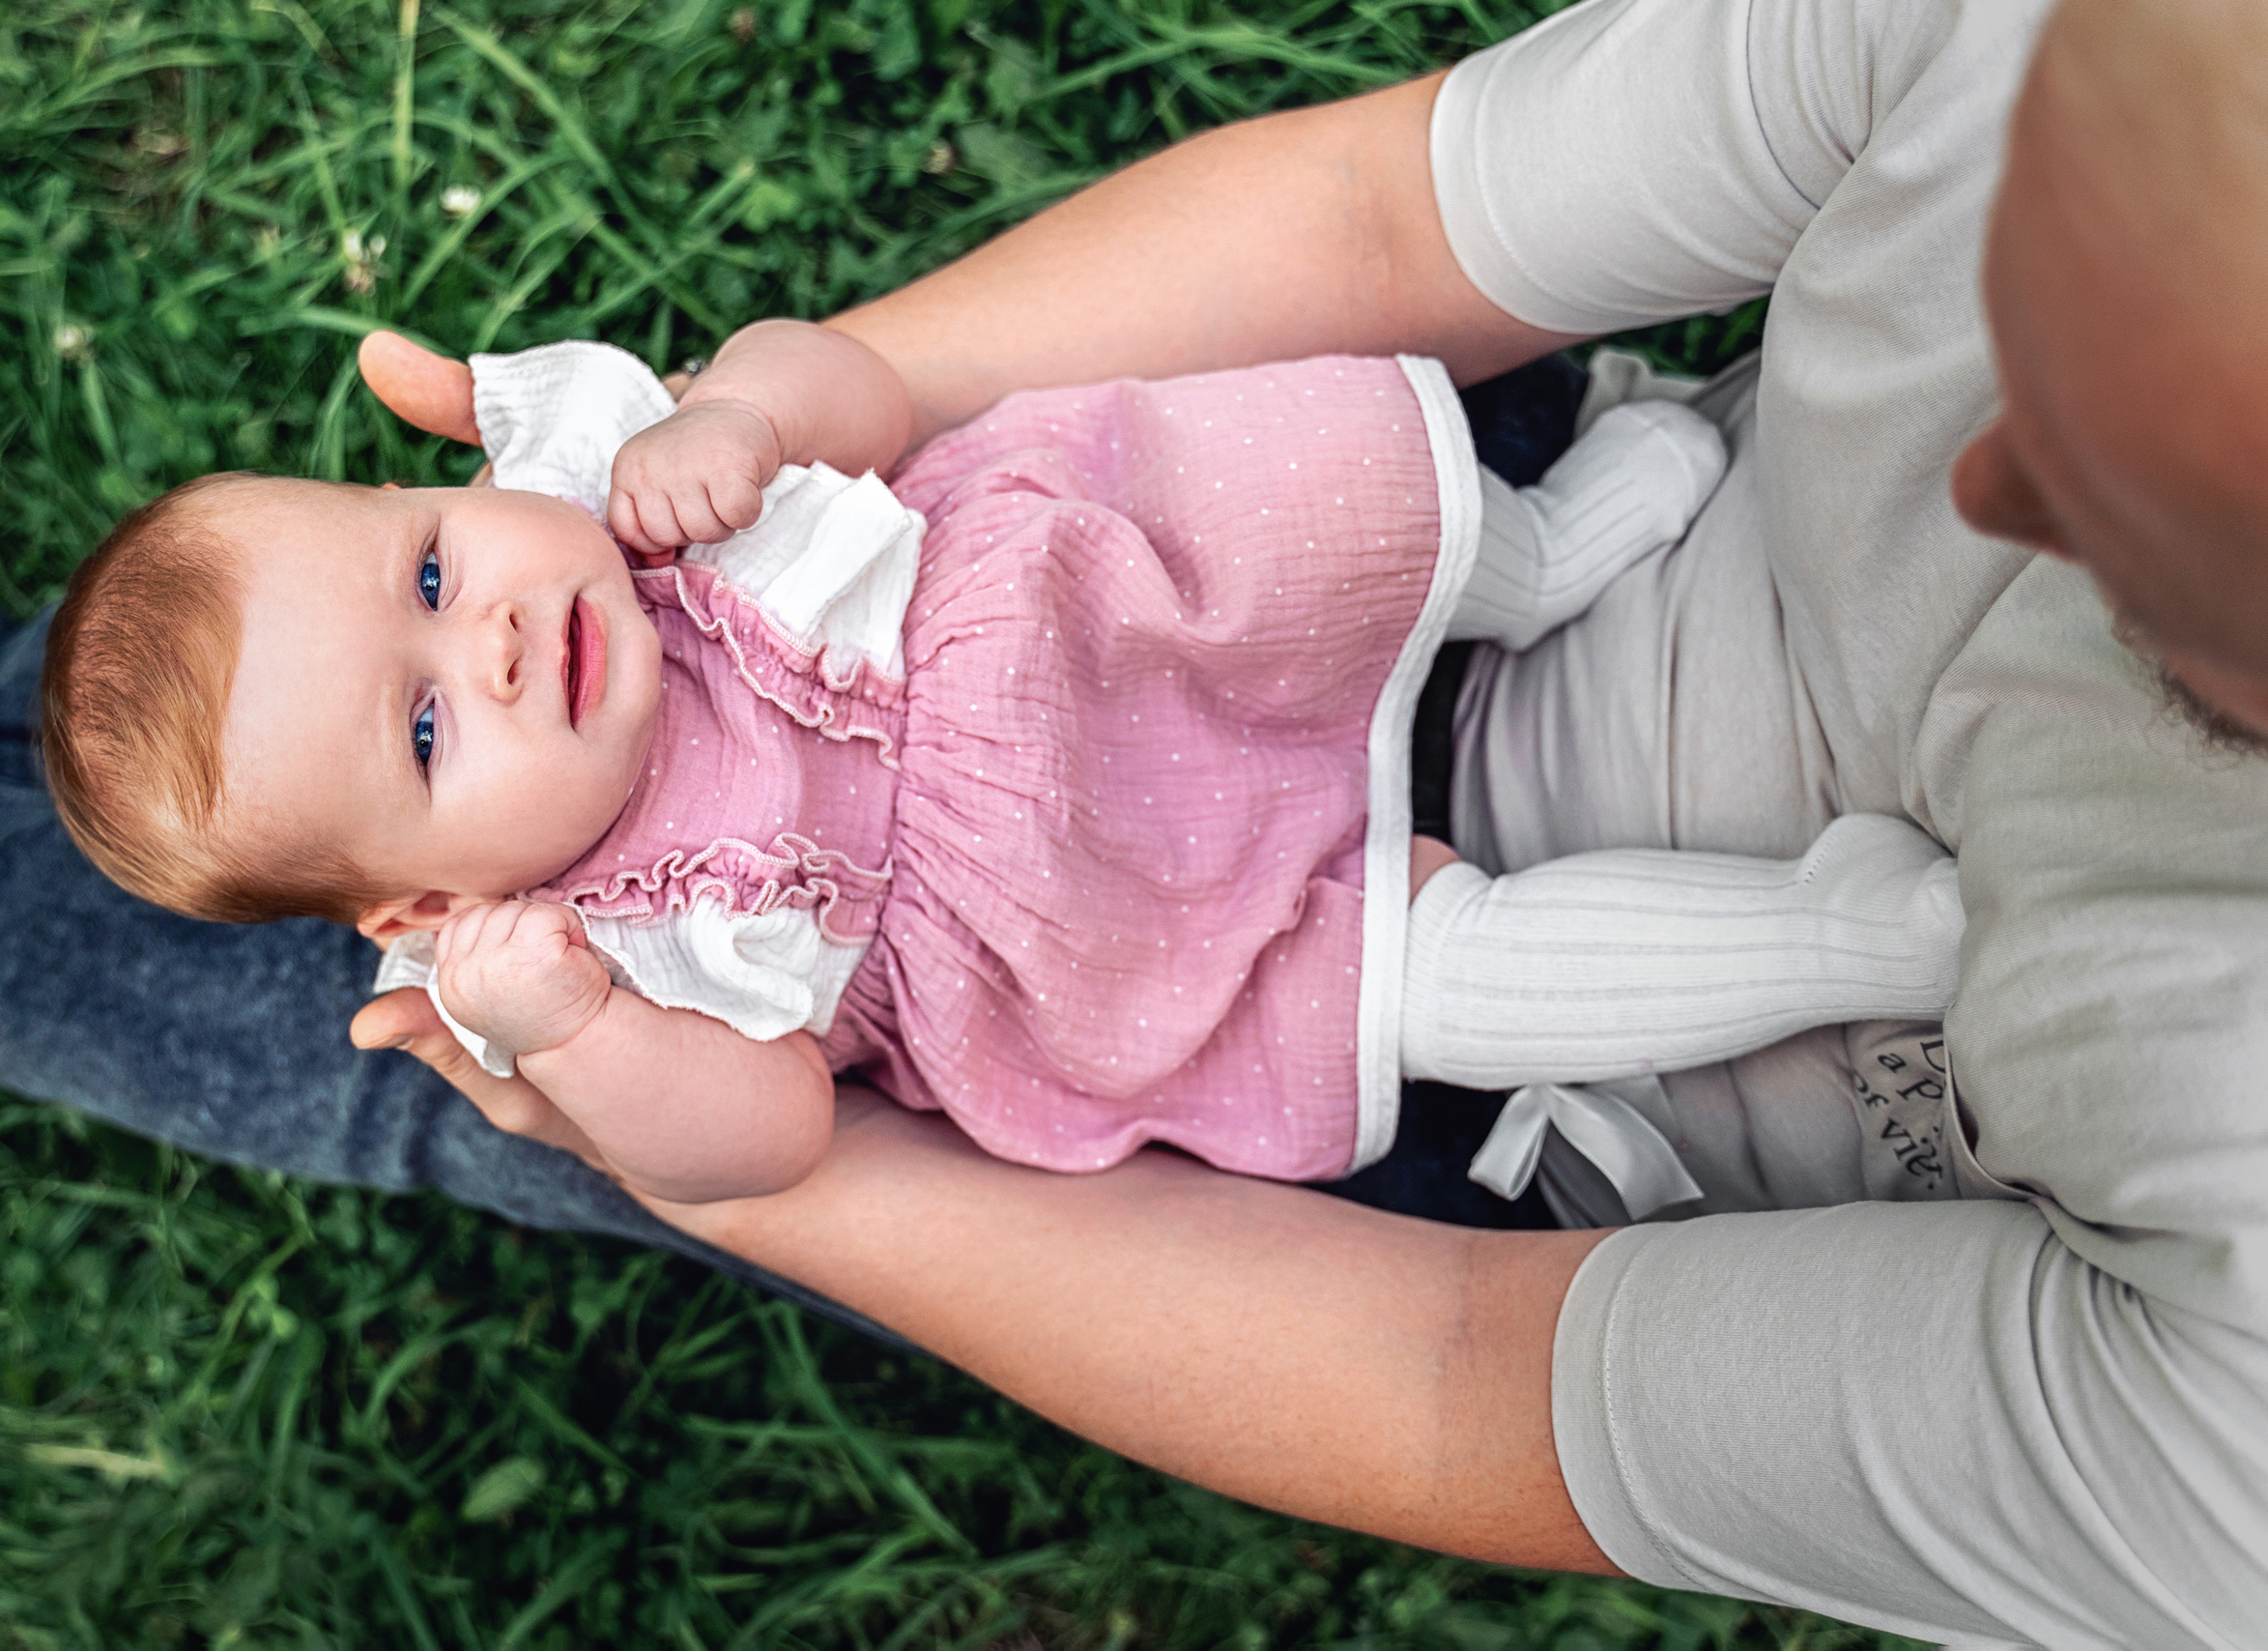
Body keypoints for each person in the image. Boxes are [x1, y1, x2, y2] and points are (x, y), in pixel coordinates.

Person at [342, 0, 2268, 1643]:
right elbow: (1369, 226)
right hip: (1371, 572)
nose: (1989, 478)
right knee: (297, 852)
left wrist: (634, 1093)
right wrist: (753, 422)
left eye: (2128, 526)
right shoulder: (2102, 42)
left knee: (416, 1060)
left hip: (1389, 1059)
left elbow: (1446, 1371)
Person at [41, 328, 1958, 1203]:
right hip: (1082, 936)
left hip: (1097, 613)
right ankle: (1835, 944)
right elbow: (764, 1145)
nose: (489, 637)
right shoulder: (582, 947)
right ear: (425, 904)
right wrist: (573, 1043)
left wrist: (745, 405)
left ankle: (1547, 548)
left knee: (1332, 515)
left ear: (424, 490)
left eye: (430, 571)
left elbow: (858, 398)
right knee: (1423, 977)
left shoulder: (602, 487)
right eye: (431, 727)